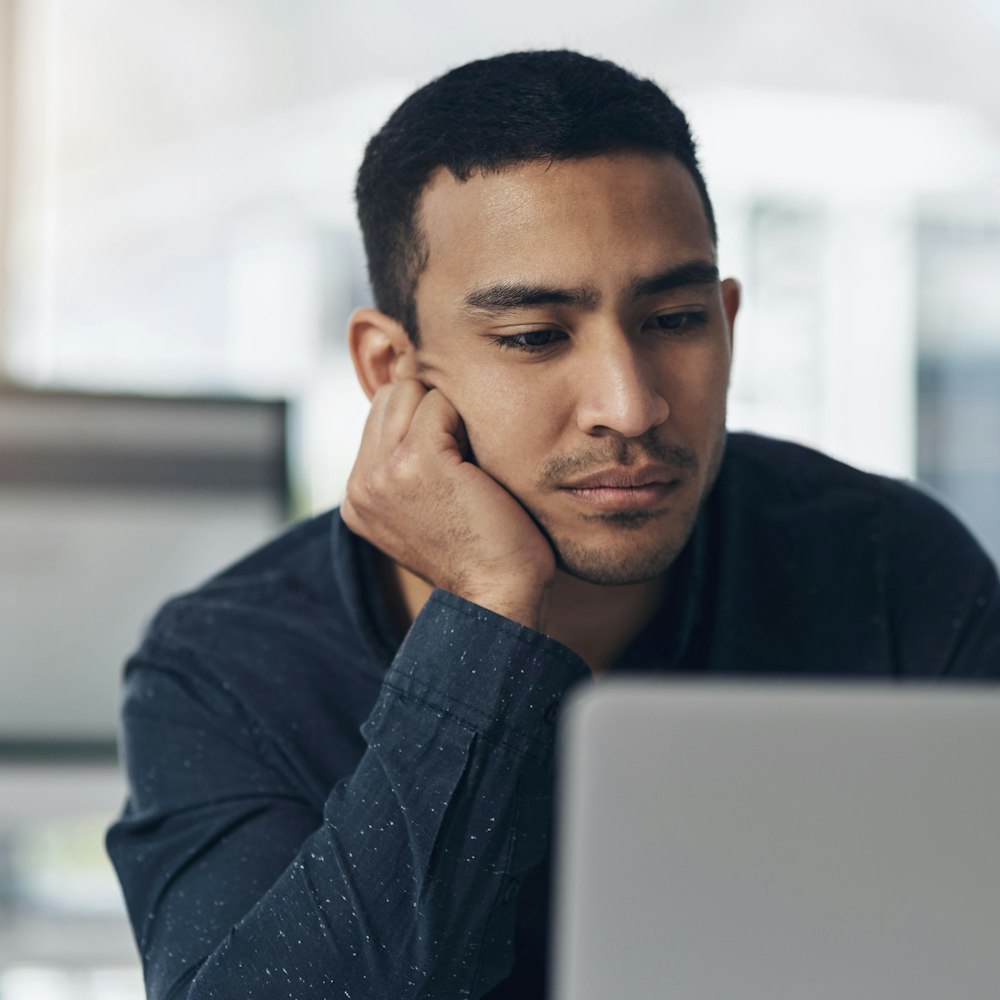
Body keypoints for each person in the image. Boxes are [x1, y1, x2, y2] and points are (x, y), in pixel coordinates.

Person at [106, 50, 1000, 1000]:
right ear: (388, 370)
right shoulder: (229, 665)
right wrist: (487, 616)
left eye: (676, 319)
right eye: (534, 336)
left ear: (729, 322)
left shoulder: (887, 568)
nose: (631, 405)